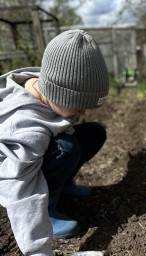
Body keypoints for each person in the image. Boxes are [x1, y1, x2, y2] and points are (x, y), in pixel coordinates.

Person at [0, 29, 109, 256]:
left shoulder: (48, 83)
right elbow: (19, 187)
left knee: (93, 132)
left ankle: (62, 186)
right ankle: (48, 209)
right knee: (65, 148)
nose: (81, 111)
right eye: (77, 103)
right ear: (55, 92)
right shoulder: (23, 127)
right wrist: (39, 250)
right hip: (13, 173)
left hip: (36, 150)